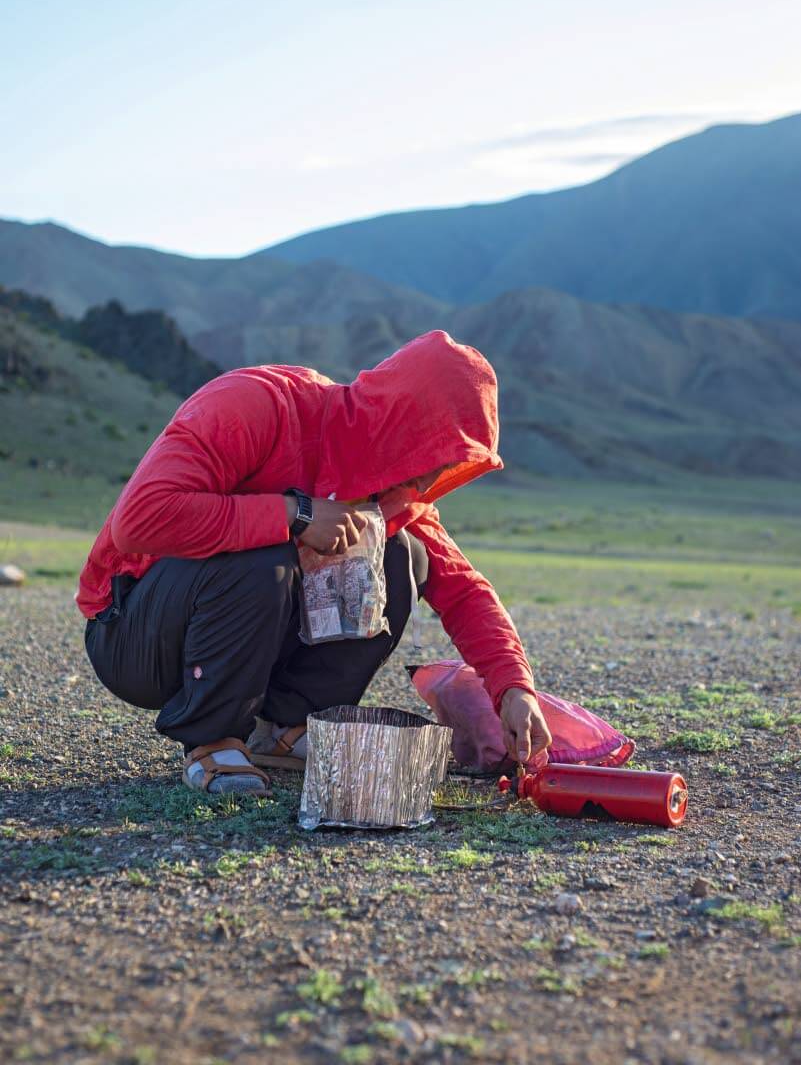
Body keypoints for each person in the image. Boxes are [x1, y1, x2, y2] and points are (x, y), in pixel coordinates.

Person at [77, 330, 552, 794]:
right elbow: (139, 520)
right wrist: (295, 513)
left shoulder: (395, 489)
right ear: (400, 424)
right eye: (436, 450)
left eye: (452, 462)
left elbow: (463, 589)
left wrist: (513, 689)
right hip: (134, 634)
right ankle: (212, 736)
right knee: (263, 550)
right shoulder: (258, 405)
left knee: (404, 555)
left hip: (240, 636)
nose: (434, 476)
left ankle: (286, 728)